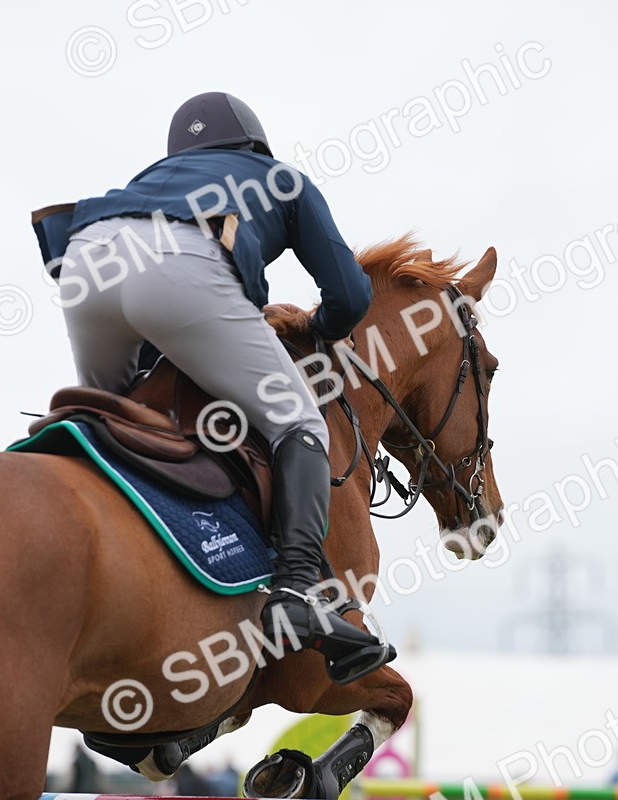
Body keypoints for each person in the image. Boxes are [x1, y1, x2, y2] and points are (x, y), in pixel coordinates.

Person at [59, 91, 392, 681]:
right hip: (182, 258)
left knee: (110, 422)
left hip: (85, 255)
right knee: (299, 422)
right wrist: (316, 328)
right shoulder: (281, 177)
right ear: (255, 144)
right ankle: (296, 595)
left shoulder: (152, 176)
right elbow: (351, 295)